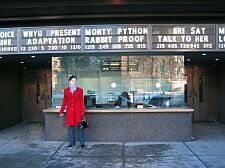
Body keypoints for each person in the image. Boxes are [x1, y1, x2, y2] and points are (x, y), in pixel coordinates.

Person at [59, 75, 85, 148]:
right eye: (73, 81)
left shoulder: (80, 90)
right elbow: (65, 101)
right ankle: (71, 142)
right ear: (69, 81)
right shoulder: (66, 90)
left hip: (78, 111)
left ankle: (82, 143)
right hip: (70, 112)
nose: (74, 82)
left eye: (75, 81)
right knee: (71, 127)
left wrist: (82, 112)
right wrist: (61, 111)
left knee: (80, 127)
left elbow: (82, 102)